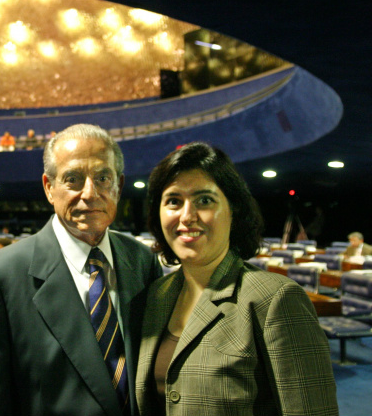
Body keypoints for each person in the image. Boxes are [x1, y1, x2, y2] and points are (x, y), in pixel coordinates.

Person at [0, 123, 162, 416]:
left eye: (103, 178)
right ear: (49, 188)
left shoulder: (143, 261)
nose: (90, 193)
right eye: (73, 179)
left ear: (118, 185)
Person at [136, 142, 338, 416]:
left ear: (233, 210)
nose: (187, 216)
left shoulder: (275, 299)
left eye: (204, 200)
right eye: (173, 201)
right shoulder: (156, 295)